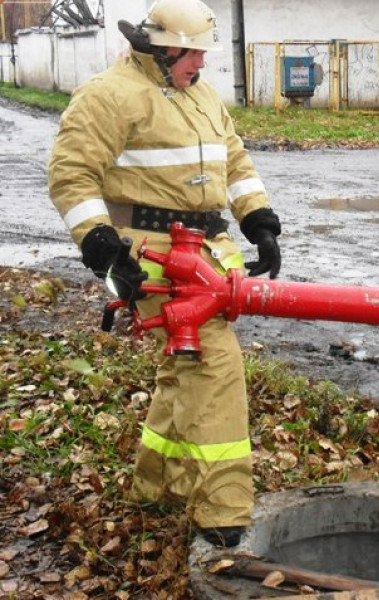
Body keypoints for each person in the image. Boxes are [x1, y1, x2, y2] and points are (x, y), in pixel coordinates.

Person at [48, 0, 282, 547]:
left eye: (203, 52)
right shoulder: (108, 96)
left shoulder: (199, 94)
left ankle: (158, 485)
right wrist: (105, 249)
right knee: (214, 366)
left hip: (203, 246)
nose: (201, 62)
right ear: (163, 47)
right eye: (194, 52)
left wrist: (260, 222)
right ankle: (223, 511)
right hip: (151, 253)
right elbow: (72, 177)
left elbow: (236, 163)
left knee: (187, 364)